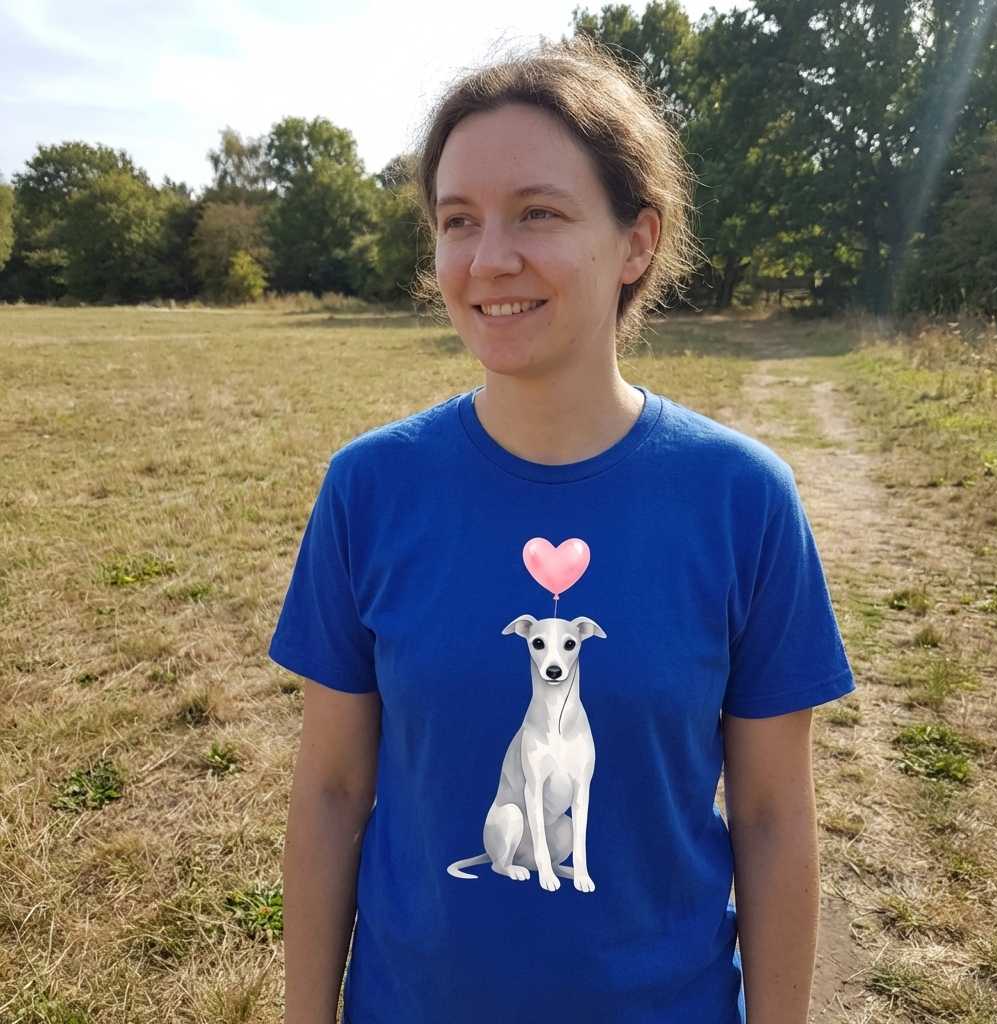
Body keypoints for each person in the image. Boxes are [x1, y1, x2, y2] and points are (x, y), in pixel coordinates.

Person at [270, 38, 854, 1024]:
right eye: (459, 220)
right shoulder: (368, 488)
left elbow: (769, 815)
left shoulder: (742, 499)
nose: (488, 258)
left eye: (537, 212)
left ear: (636, 242)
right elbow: (331, 791)